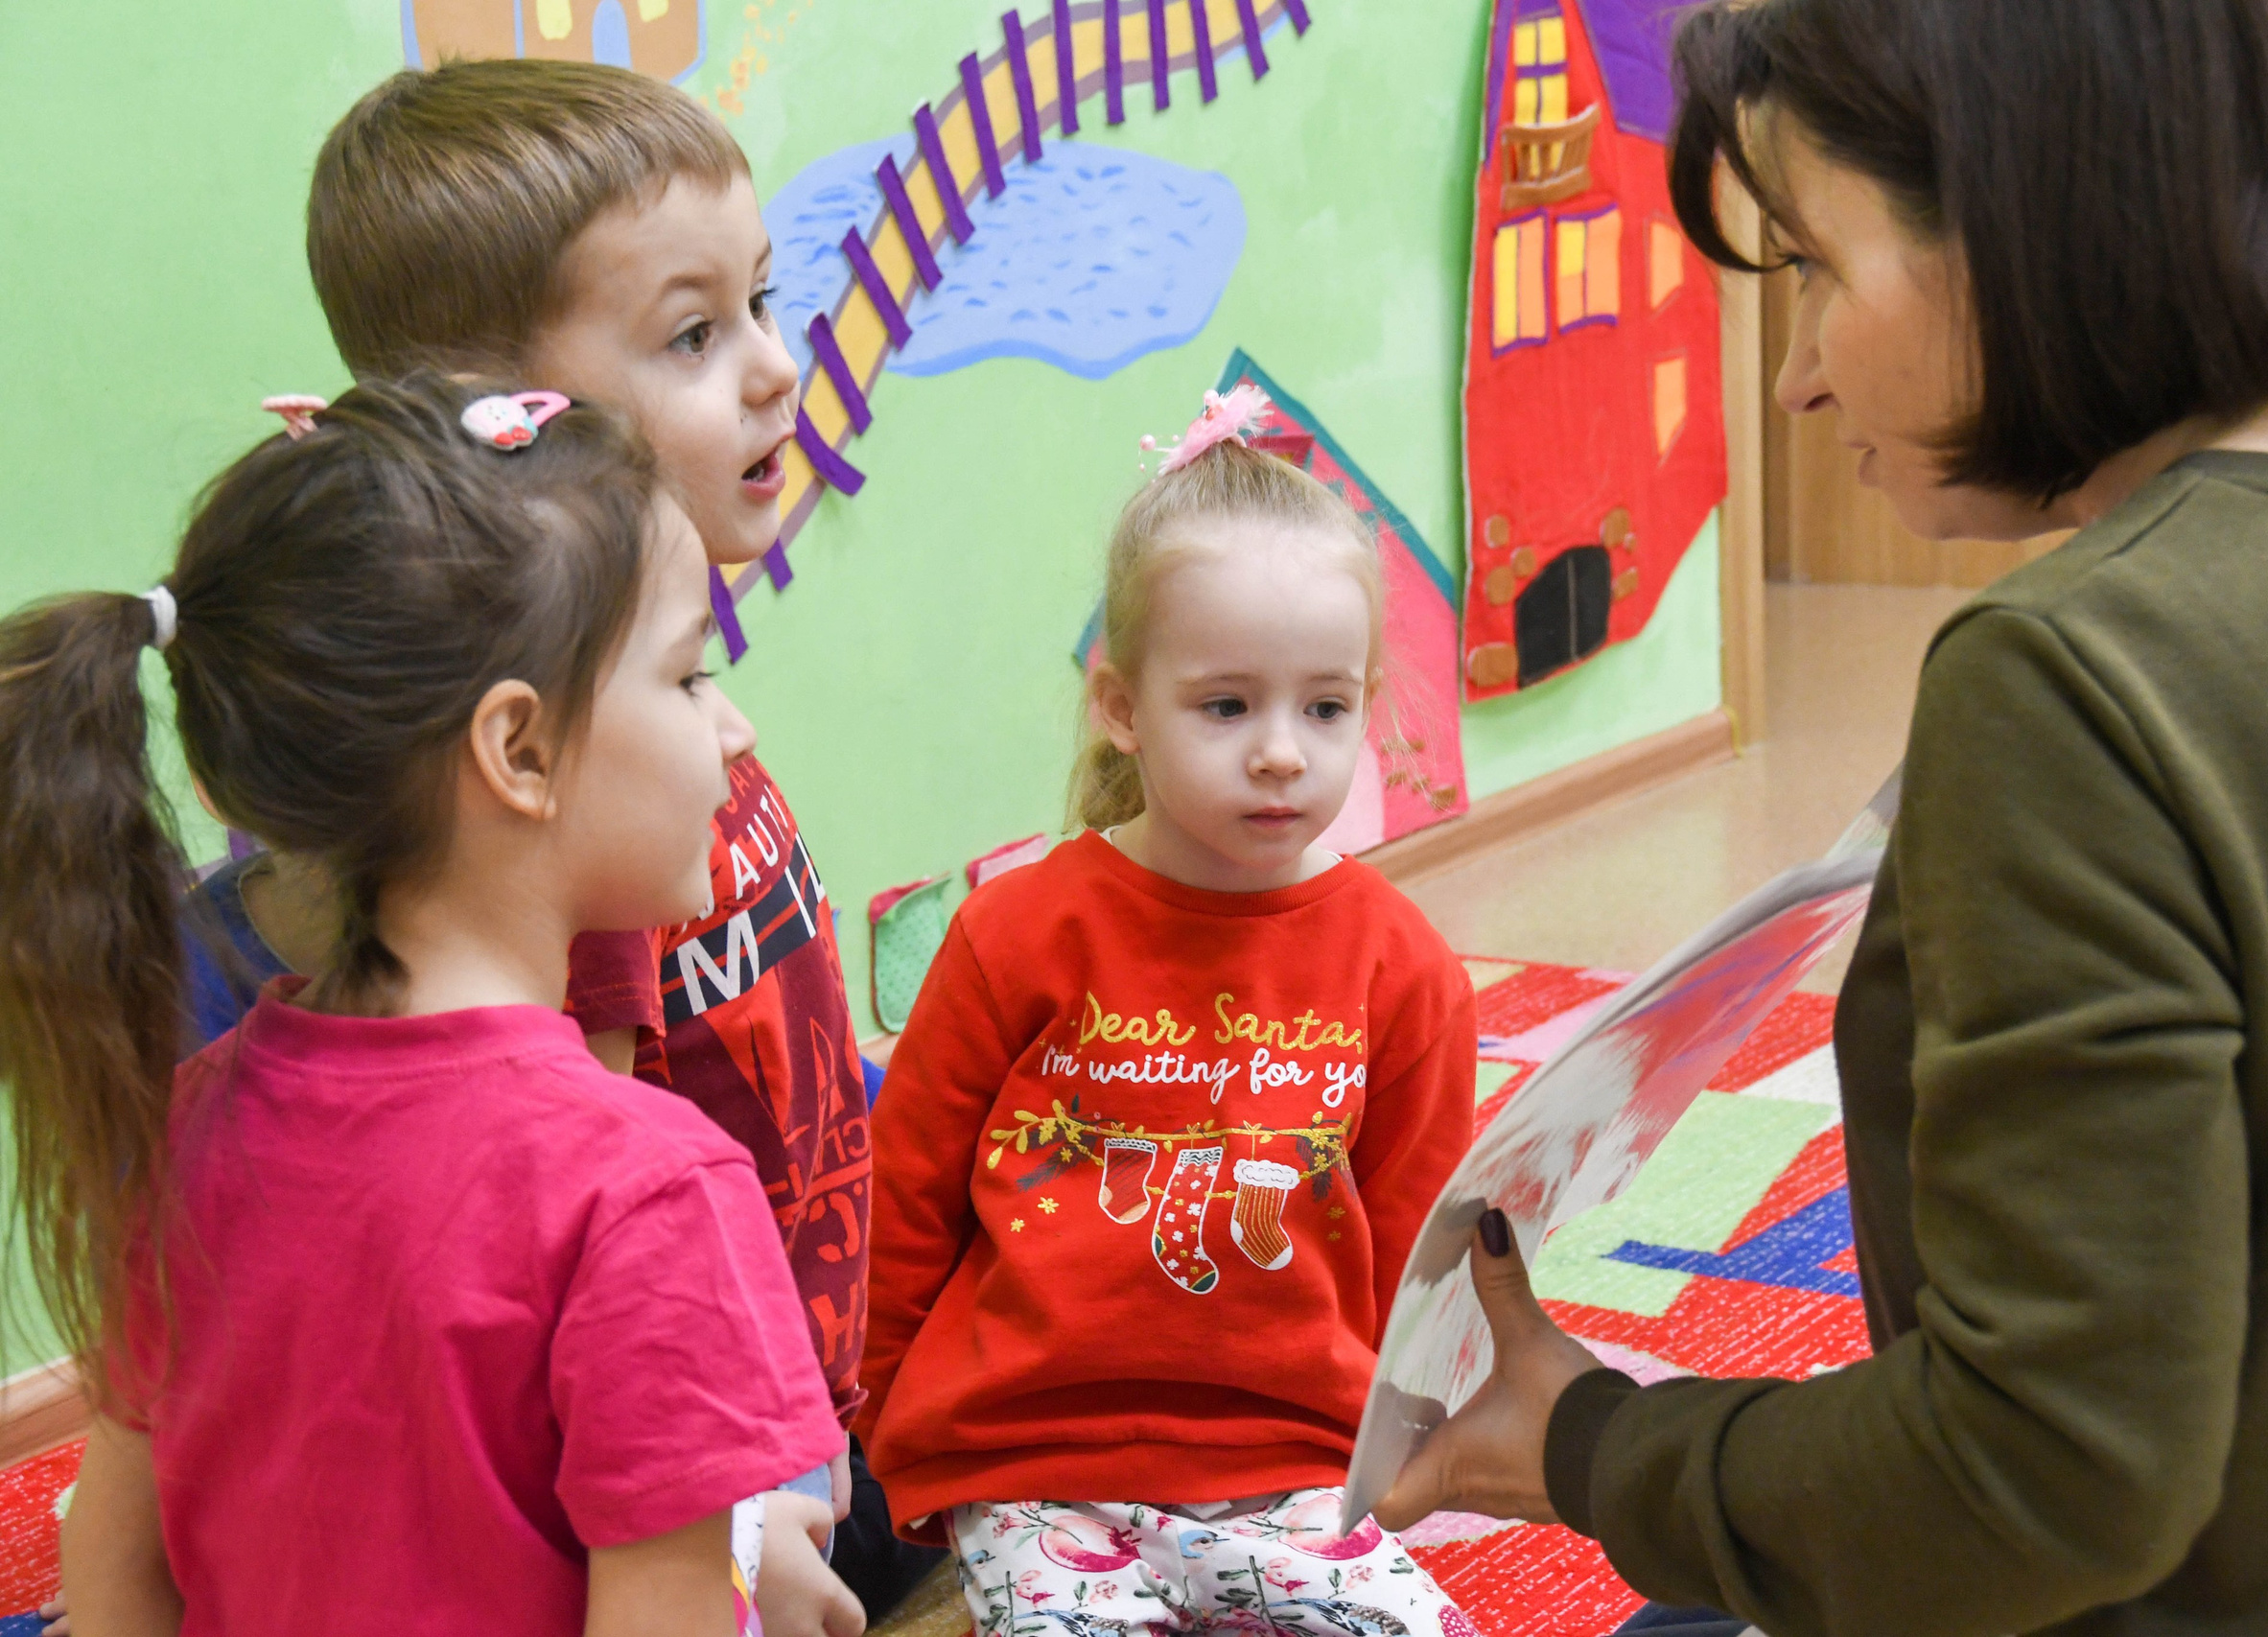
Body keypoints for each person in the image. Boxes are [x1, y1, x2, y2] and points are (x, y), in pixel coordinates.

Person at [1376, 1, 2268, 1633]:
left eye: (1813, 265)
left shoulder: (2079, 675)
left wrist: (1594, 1445)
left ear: (2031, 217)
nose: (1795, 378)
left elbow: (2046, 1480)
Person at [164, 58, 918, 1630]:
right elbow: (563, 1207)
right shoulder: (566, 841)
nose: (775, 369)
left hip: (768, 1386)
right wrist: (739, 1526)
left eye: (763, 302)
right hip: (679, 1461)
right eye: (695, 335)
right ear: (503, 419)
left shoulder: (608, 752)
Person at [11, 375, 840, 1633]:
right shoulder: (654, 1192)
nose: (734, 729)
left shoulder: (189, 1122)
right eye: (689, 676)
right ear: (519, 752)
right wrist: (736, 1552)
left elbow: (117, 1575)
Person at [857, 391, 1482, 1637]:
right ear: (1120, 706)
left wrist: (1391, 1439)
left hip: (1293, 1459)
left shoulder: (1404, 968)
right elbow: (905, 1198)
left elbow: (1420, 1248)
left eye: (1324, 708)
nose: (1281, 753)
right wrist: (875, 1418)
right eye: (1226, 706)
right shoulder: (1014, 934)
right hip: (1033, 1458)